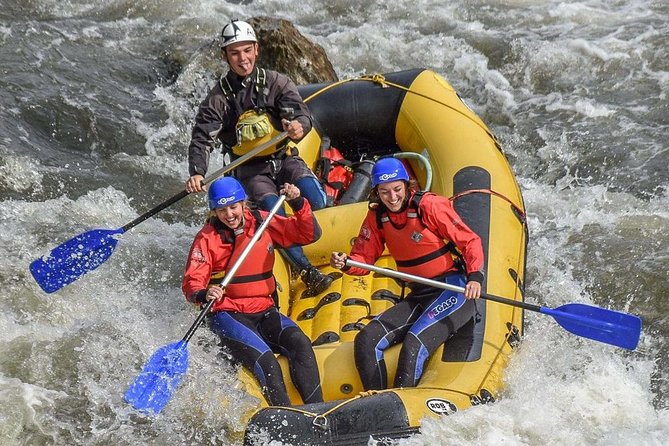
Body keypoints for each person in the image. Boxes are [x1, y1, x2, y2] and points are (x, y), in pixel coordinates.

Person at [185, 19, 332, 297]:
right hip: (250, 171)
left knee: (317, 199)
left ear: (256, 49)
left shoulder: (276, 82)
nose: (243, 59)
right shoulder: (219, 99)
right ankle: (307, 272)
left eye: (246, 51)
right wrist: (197, 172)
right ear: (225, 56)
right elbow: (202, 139)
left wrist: (299, 125)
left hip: (284, 159)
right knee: (270, 213)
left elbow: (301, 115)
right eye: (235, 53)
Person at [329, 157, 485, 390]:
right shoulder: (377, 218)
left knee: (414, 342)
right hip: (419, 294)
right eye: (384, 192)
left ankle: (402, 403)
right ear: (376, 192)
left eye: (397, 190)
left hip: (452, 290)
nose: (392, 198)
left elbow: (470, 241)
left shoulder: (428, 206)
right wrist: (346, 262)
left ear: (406, 185)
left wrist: (475, 276)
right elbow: (363, 259)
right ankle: (377, 401)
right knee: (366, 340)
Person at [182, 176, 323, 406]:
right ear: (214, 211)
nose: (229, 215)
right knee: (266, 361)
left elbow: (307, 234)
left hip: (264, 309)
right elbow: (192, 284)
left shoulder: (261, 221)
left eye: (233, 207)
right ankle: (286, 418)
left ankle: (318, 411)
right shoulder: (206, 238)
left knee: (301, 343)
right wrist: (204, 293)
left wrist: (298, 203)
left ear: (243, 204)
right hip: (228, 314)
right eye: (221, 210)